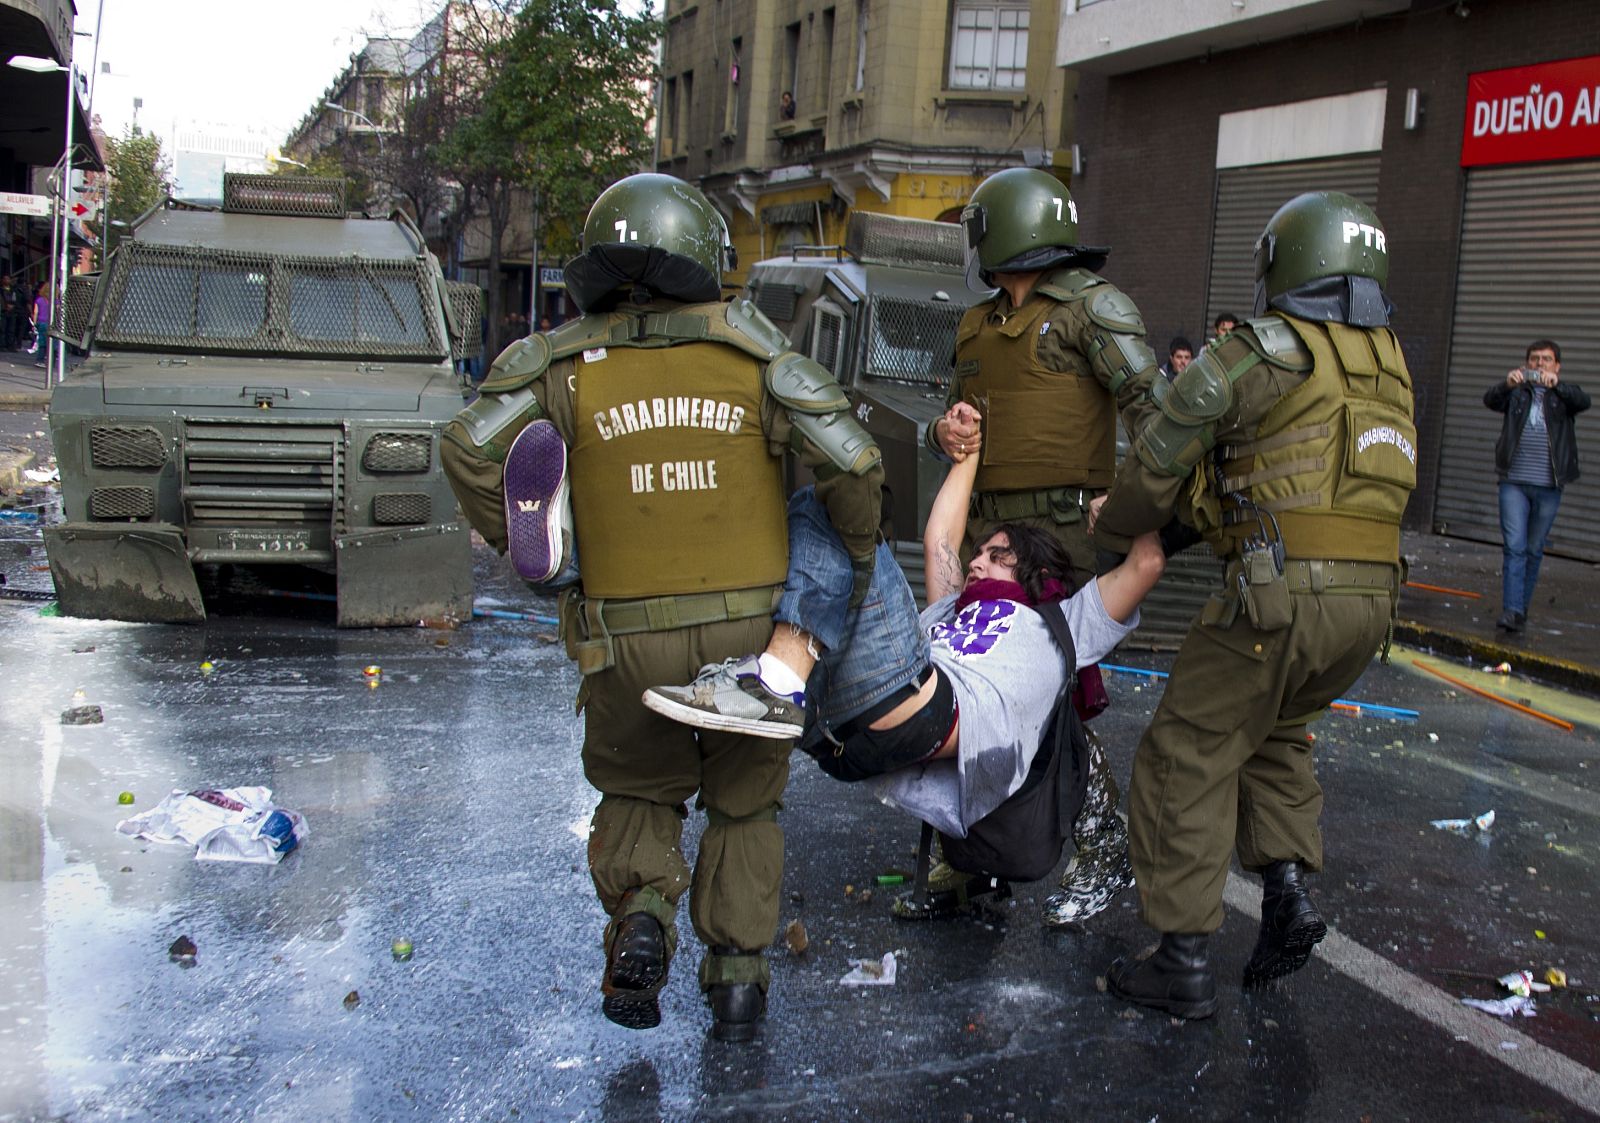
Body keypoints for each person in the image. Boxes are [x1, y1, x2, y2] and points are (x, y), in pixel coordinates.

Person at [440, 173, 883, 1043]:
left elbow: (466, 448)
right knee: (744, 805)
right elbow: (855, 461)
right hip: (752, 633)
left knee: (638, 790)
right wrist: (852, 559)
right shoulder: (754, 353)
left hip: (623, 632)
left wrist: (548, 558)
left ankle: (642, 916)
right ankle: (738, 982)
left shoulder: (559, 362)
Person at [1092, 191, 1416, 1019]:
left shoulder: (1263, 350)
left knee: (1186, 750)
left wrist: (1113, 528)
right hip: (1368, 609)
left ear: (1286, 263)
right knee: (1271, 733)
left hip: (1281, 601)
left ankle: (1180, 958)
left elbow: (1157, 461)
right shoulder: (1388, 365)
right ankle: (1285, 893)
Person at [642, 402, 1166, 903]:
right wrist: (969, 450)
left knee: (845, 503)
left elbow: (1146, 565)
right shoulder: (953, 607)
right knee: (811, 509)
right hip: (841, 733)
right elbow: (942, 539)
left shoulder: (1064, 623)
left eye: (997, 555)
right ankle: (753, 666)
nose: (977, 562)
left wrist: (1123, 513)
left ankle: (775, 681)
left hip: (929, 710)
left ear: (1036, 571)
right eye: (980, 552)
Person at [921, 166, 1162, 926]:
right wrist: (945, 431)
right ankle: (967, 856)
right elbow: (949, 419)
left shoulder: (1093, 309)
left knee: (1054, 705)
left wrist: (1128, 502)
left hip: (1059, 542)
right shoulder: (975, 323)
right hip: (989, 535)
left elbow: (1154, 413)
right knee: (960, 691)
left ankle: (1100, 847)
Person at [1484, 340, 1589, 633]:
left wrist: (1558, 386)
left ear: (1557, 366)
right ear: (1526, 363)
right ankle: (1512, 610)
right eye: (1534, 359)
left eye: (1546, 359)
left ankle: (1520, 607)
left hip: (1548, 486)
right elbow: (1490, 399)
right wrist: (1506, 384)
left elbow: (1584, 400)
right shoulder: (1517, 393)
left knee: (1533, 549)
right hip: (1514, 483)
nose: (1539, 364)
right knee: (1514, 547)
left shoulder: (1563, 396)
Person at [30, 281, 51, 367]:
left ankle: (40, 360)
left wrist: (34, 324)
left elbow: (35, 312)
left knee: (42, 342)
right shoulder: (55, 301)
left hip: (41, 322)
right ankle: (49, 360)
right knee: (51, 342)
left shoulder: (39, 300)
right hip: (51, 323)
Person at [0, 275, 18, 351]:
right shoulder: (1, 290)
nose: (6, 280)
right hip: (3, 311)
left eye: (8, 279)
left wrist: (12, 305)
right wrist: (5, 306)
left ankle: (10, 345)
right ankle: (2, 345)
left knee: (11, 330)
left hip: (12, 312)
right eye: (5, 279)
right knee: (2, 330)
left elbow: (15, 299)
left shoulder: (13, 290)